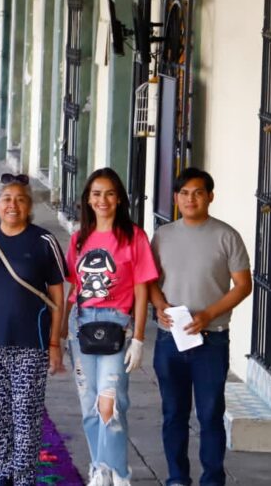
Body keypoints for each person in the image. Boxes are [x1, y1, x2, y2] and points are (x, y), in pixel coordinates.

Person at [0, 174, 67, 486]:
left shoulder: (44, 241)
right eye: (7, 199)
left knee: (26, 413)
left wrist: (54, 342)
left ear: (29, 206)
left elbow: (58, 296)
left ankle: (24, 477)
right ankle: (2, 474)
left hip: (31, 343)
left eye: (20, 199)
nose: (13, 205)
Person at [150, 168, 252, 486]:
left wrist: (209, 314)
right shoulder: (163, 235)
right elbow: (149, 279)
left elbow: (243, 285)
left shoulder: (227, 236)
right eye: (184, 193)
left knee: (209, 415)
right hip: (170, 339)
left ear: (210, 196)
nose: (190, 198)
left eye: (197, 192)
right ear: (176, 198)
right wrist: (158, 304)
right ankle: (177, 478)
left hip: (212, 339)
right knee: (173, 415)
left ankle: (212, 479)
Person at [61, 167, 157, 486]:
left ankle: (119, 474)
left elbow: (142, 288)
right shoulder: (79, 239)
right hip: (82, 325)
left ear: (119, 199)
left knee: (111, 403)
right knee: (89, 404)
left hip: (118, 325)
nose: (103, 200)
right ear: (88, 199)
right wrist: (62, 330)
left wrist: (140, 337)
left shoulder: (134, 236)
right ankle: (99, 469)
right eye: (96, 194)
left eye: (110, 193)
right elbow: (74, 289)